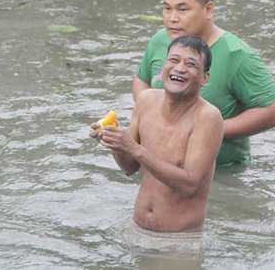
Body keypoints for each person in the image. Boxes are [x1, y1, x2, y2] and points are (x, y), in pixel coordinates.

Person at [133, 0, 275, 167]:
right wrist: (147, 114)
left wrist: (207, 129)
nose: (172, 18)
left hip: (221, 174)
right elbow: (141, 79)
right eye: (166, 9)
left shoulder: (237, 55)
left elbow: (274, 112)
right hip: (160, 165)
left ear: (209, 10)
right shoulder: (161, 40)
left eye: (182, 9)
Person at [90, 35, 223, 250]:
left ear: (204, 78)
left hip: (179, 242)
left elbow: (189, 185)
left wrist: (135, 148)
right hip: (135, 230)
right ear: (164, 66)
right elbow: (129, 167)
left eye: (190, 64)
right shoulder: (146, 100)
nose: (179, 68)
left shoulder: (209, 118)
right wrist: (115, 142)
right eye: (174, 60)